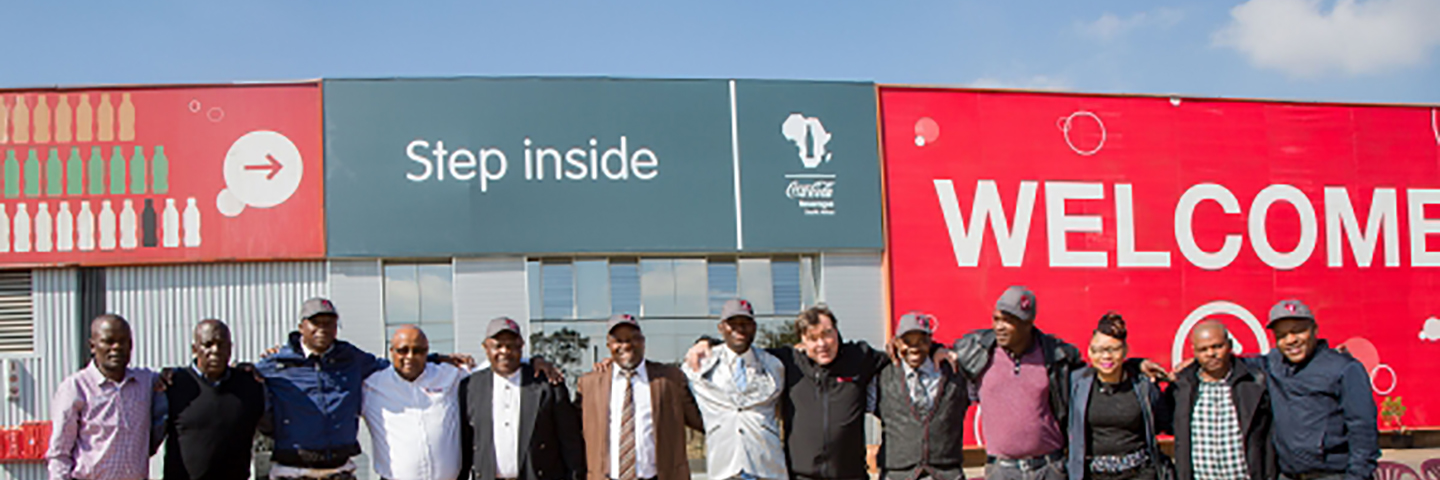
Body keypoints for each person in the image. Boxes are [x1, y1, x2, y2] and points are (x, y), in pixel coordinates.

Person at [256, 298, 477, 480]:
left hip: (339, 471)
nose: (323, 328)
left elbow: (395, 365)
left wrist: (434, 358)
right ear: (301, 326)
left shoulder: (351, 358)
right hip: (291, 472)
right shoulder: (276, 365)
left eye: (329, 323)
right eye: (316, 322)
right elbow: (245, 382)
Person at [952, 286, 1080, 480]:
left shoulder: (1056, 355)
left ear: (1028, 324)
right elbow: (930, 355)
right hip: (1002, 471)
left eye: (1009, 321)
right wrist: (936, 349)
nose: (999, 327)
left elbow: (1101, 373)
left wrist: (1136, 365)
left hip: (1049, 468)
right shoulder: (976, 351)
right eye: (996, 319)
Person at [576, 314, 704, 480]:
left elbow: (702, 420)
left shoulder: (670, 380)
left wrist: (707, 347)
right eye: (618, 341)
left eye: (633, 339)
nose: (626, 345)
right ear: (609, 346)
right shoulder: (589, 384)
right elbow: (569, 434)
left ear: (643, 342)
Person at [1259, 300, 1377, 480]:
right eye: (1282, 335)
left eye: (1298, 330)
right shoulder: (1272, 364)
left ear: (1314, 329)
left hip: (1333, 475)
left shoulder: (1344, 368)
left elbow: (1363, 430)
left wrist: (1357, 476)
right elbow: (1229, 366)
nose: (1291, 340)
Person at [459, 317, 585, 480]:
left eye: (511, 345)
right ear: (486, 348)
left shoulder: (548, 385)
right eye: (498, 346)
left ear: (521, 346)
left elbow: (571, 443)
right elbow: (465, 444)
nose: (505, 351)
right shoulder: (470, 387)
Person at [47, 314, 167, 480]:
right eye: (108, 341)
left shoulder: (147, 382)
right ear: (93, 346)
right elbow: (59, 452)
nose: (116, 347)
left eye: (123, 341)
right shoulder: (76, 387)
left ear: (131, 345)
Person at [681, 298, 788, 480]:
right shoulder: (700, 363)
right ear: (721, 327)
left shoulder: (773, 365)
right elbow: (680, 398)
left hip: (768, 468)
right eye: (733, 323)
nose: (740, 329)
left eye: (746, 323)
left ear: (754, 327)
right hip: (724, 468)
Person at [1065, 313, 1170, 480]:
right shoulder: (1077, 384)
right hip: (1095, 475)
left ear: (1125, 350)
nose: (1106, 356)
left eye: (1113, 349)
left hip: (1140, 473)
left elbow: (1163, 422)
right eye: (1098, 350)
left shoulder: (1143, 385)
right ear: (1090, 352)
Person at [160, 319, 267, 480]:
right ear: (195, 349)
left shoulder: (250, 384)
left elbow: (269, 424)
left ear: (230, 349)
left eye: (221, 344)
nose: (215, 350)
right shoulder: (174, 384)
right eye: (208, 344)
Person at [362, 325, 472, 480]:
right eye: (403, 350)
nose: (410, 356)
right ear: (391, 351)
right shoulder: (371, 386)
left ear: (427, 352)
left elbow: (486, 380)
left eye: (418, 351)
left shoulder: (450, 376)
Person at [870, 312, 970, 480]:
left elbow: (983, 345)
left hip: (947, 474)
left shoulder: (953, 372)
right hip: (897, 475)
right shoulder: (881, 377)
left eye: (922, 341)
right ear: (897, 342)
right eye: (908, 341)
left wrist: (942, 348)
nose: (915, 348)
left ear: (930, 341)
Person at [1168, 320, 1274, 480]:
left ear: (1230, 345)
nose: (1211, 353)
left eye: (1217, 346)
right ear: (1194, 352)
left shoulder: (1254, 382)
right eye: (1203, 349)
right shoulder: (1180, 388)